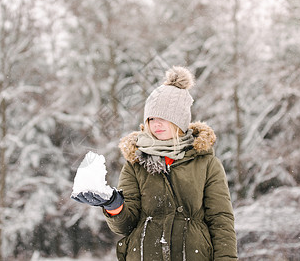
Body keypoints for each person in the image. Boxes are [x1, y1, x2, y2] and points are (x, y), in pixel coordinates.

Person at [72, 66, 238, 260]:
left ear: (179, 121)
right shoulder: (136, 163)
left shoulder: (206, 163)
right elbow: (125, 226)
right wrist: (113, 205)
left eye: (163, 118)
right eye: (151, 118)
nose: (156, 124)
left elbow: (221, 220)